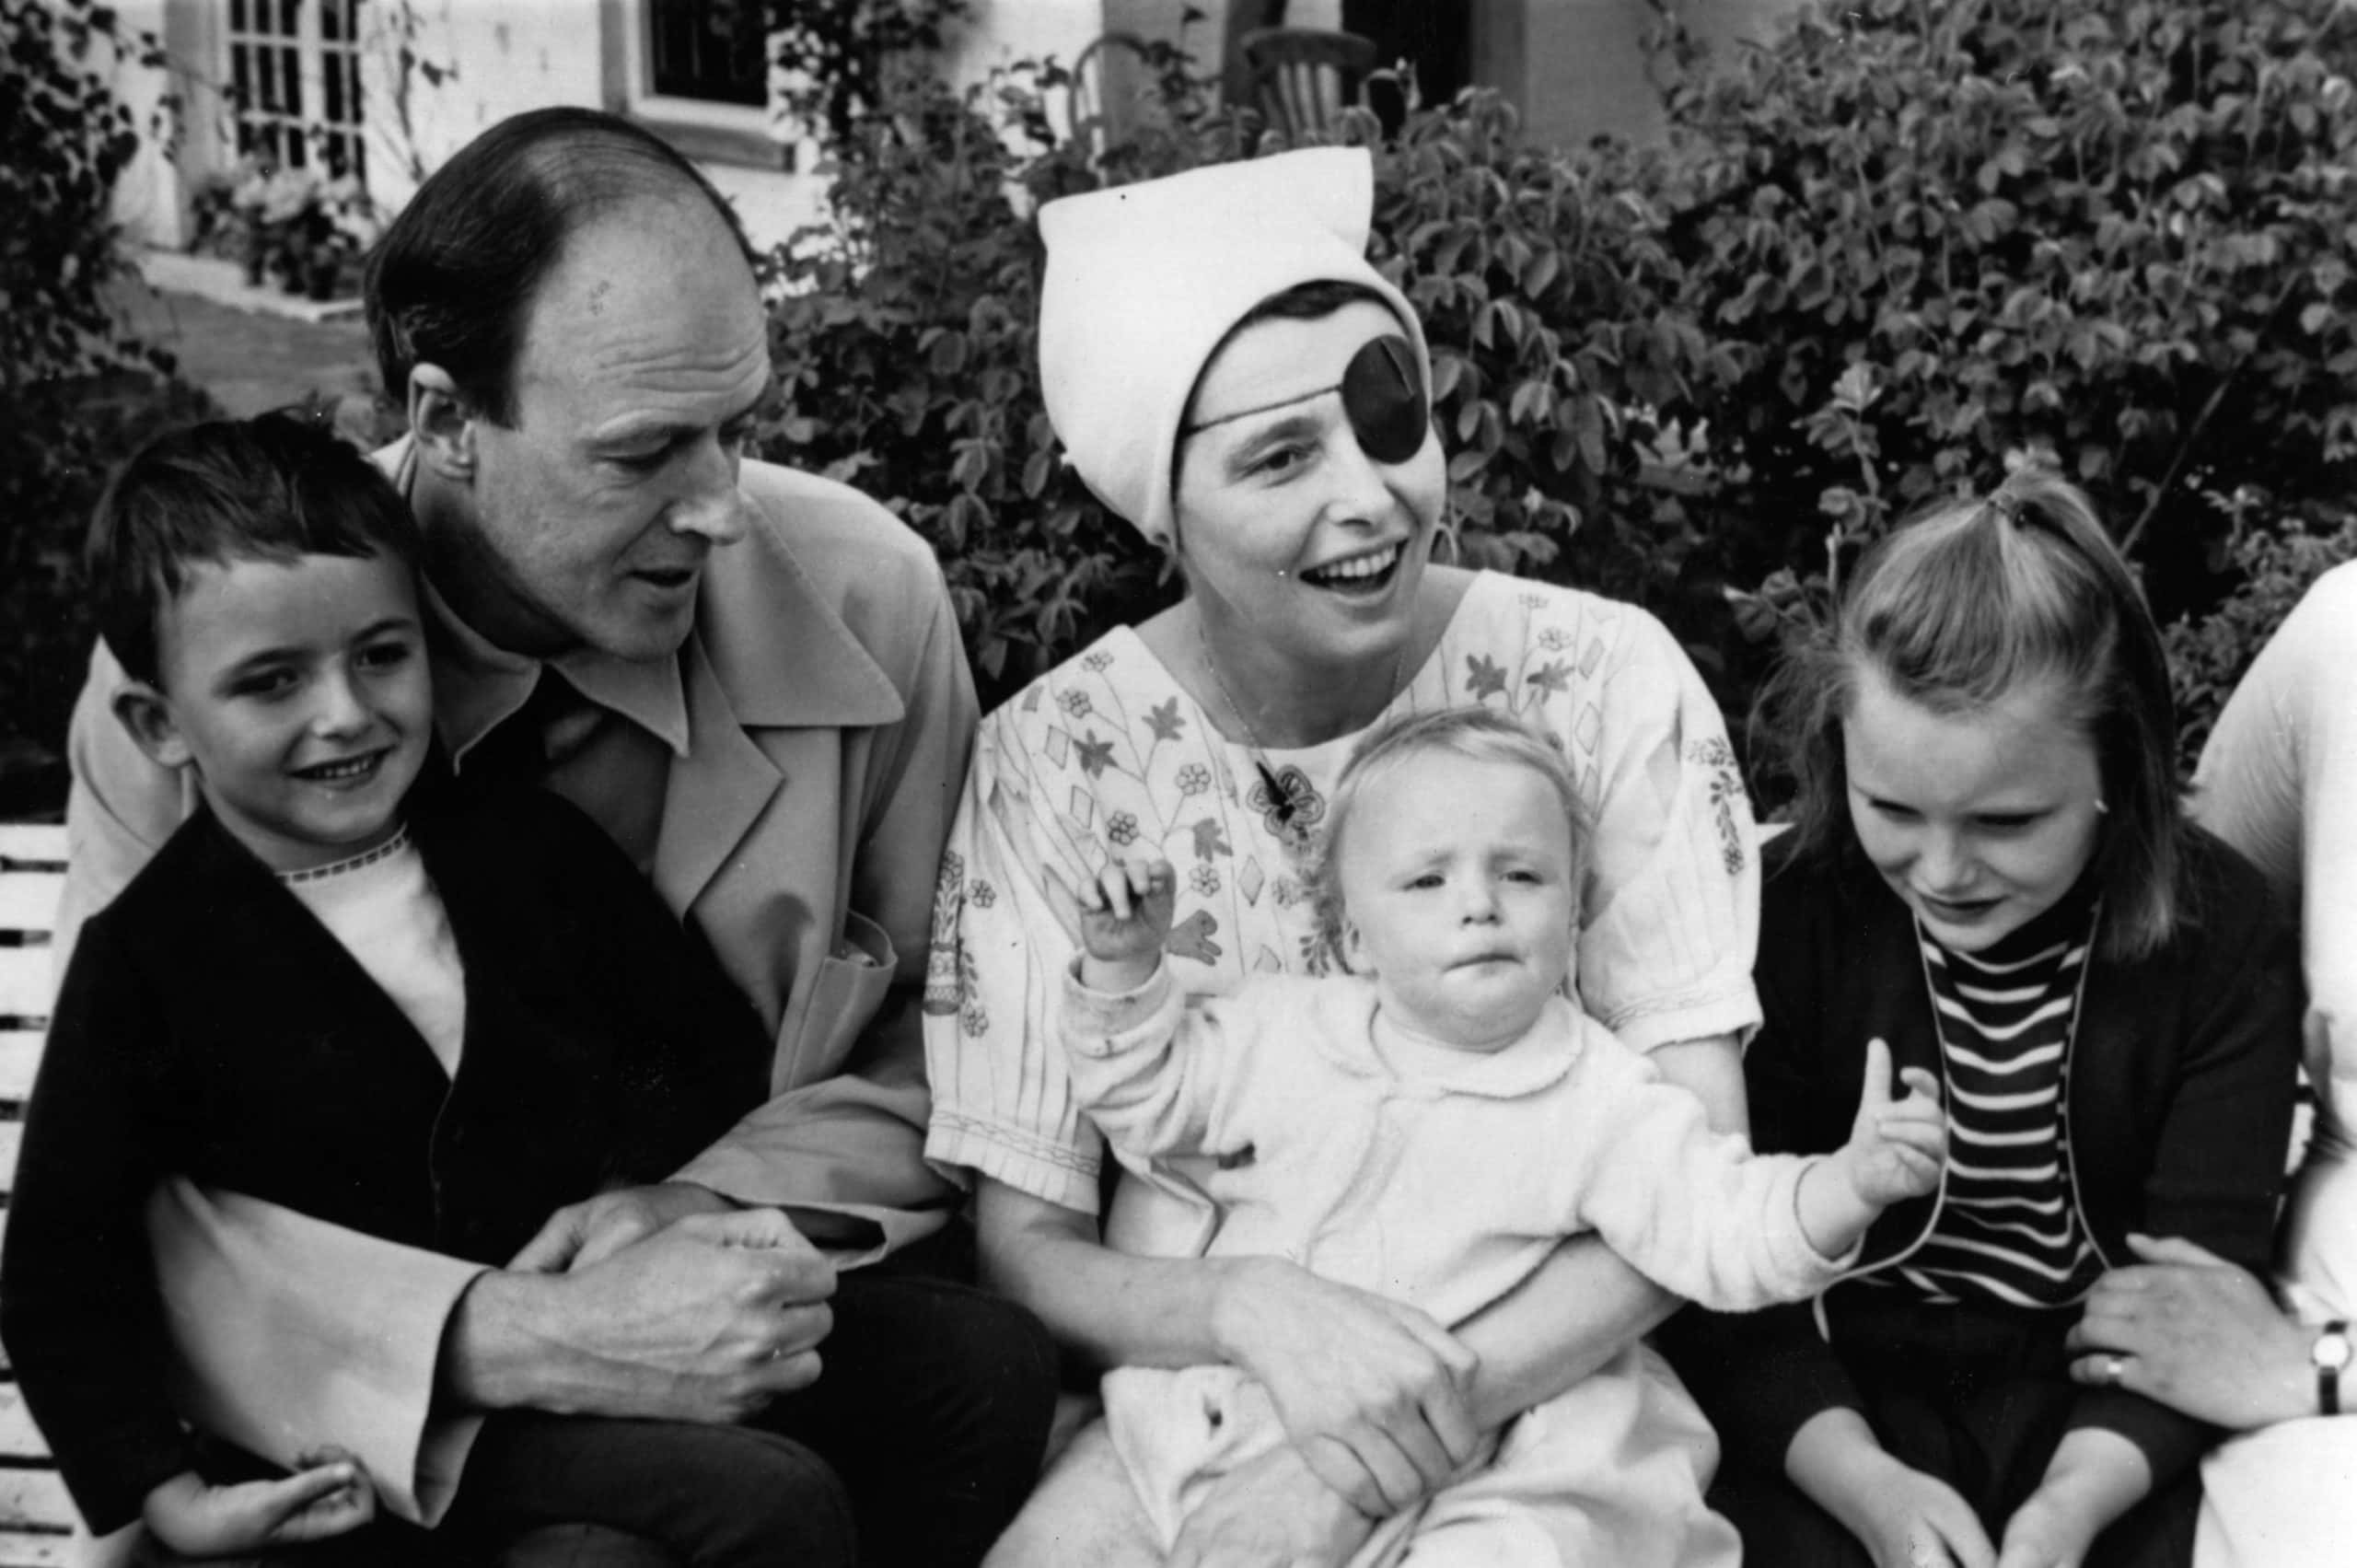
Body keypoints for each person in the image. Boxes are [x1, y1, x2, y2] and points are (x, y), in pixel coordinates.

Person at [51, 109, 1053, 1566]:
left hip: (731, 1327)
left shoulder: (867, 598)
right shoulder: (215, 672)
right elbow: (134, 1192)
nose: (718, 507)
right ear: (449, 419)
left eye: (742, 428)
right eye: (645, 450)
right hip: (351, 1423)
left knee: (977, 1375)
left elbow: (949, 1041)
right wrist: (508, 1336)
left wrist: (703, 1206)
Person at [923, 146, 1766, 1567]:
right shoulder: (1058, 758)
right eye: (1279, 455)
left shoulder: (1599, 676)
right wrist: (1252, 1310)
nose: (1371, 496)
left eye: (1391, 423)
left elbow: (1700, 1158)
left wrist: (1367, 1455)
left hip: (1550, 1401)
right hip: (1186, 1410)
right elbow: (1028, 1236)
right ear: (1161, 510)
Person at [6, 412, 867, 1565]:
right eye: (272, 682)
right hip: (364, 1433)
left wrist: (658, 1199)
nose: (346, 713)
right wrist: (162, 1493)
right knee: (760, 1502)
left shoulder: (519, 846)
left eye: (380, 654)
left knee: (976, 1369)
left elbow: (692, 1050)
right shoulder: (150, 955)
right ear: (161, 724)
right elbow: (64, 1259)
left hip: (597, 1337)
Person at [1060, 708, 1948, 1564]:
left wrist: (1849, 1184)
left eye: (1522, 875)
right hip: (1265, 1418)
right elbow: (1146, 1099)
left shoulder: (1602, 1095)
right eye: (1427, 881)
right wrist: (1123, 967)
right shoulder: (1278, 1035)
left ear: (1571, 916)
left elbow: (1725, 1221)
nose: (1480, 904)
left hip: (1519, 1460)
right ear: (1352, 937)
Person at [1663, 472, 2306, 1568]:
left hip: (2105, 1415)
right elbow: (1722, 1270)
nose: (1945, 870)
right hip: (1828, 1405)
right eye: (1892, 808)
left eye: (2007, 820)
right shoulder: (1783, 916)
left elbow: (2188, 1298)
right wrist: (1870, 1491)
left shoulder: (2219, 933)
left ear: (2121, 767)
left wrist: (2064, 1511)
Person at [2057, 560, 2357, 1567]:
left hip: (2304, 1373)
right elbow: (2187, 922)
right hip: (2271, 1375)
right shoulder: (2343, 637)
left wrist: (2319, 1367)